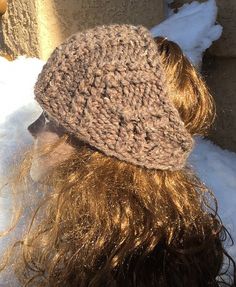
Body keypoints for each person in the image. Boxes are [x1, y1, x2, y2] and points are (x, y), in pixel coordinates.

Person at [1, 24, 235, 286]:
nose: (32, 129)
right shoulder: (113, 242)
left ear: (98, 151)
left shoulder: (134, 269)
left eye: (49, 118)